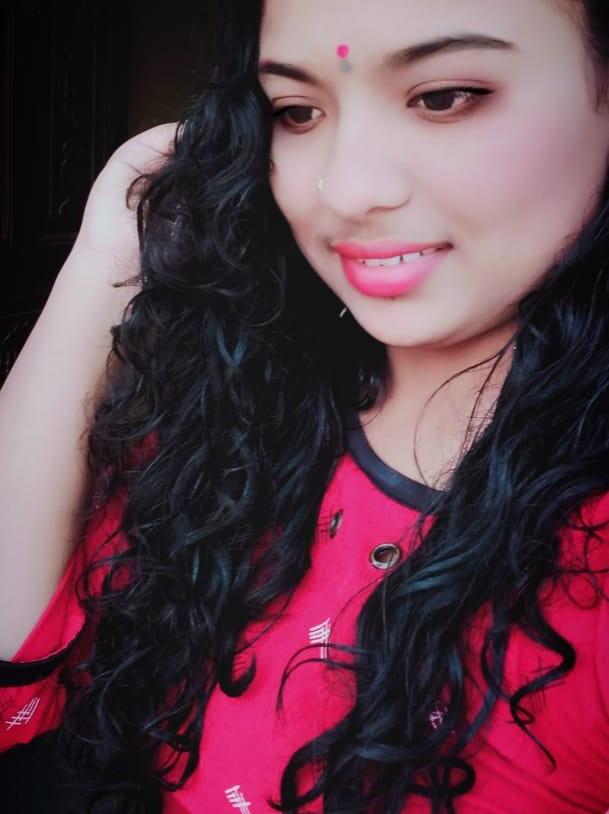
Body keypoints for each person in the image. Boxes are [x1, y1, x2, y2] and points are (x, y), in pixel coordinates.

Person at [1, 0, 608, 811]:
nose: (345, 190)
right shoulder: (234, 414)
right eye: (295, 112)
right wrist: (109, 247)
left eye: (443, 97)